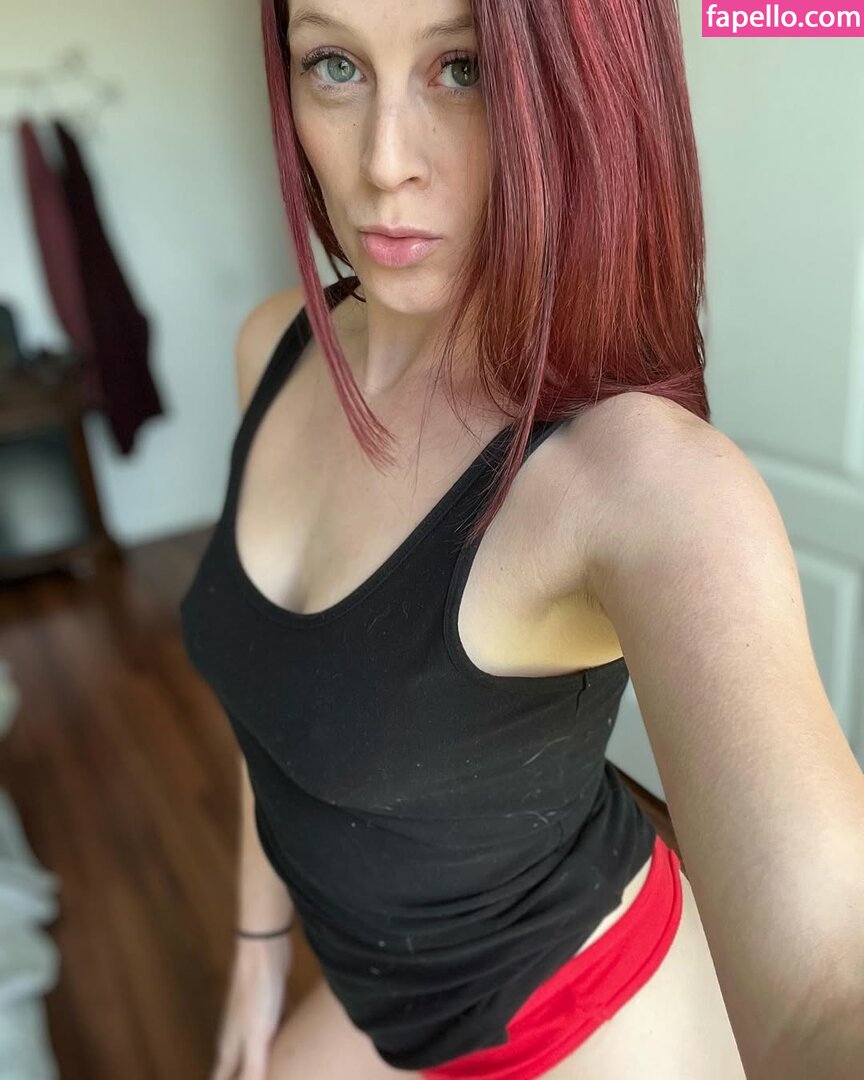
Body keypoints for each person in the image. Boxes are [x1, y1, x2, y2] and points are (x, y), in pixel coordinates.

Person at [179, 2, 864, 1079]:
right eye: (334, 64)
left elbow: (828, 980)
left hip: (584, 1025)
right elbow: (264, 710)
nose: (384, 164)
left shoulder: (639, 481)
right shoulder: (276, 347)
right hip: (379, 997)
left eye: (464, 67)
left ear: (588, 92)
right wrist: (257, 946)